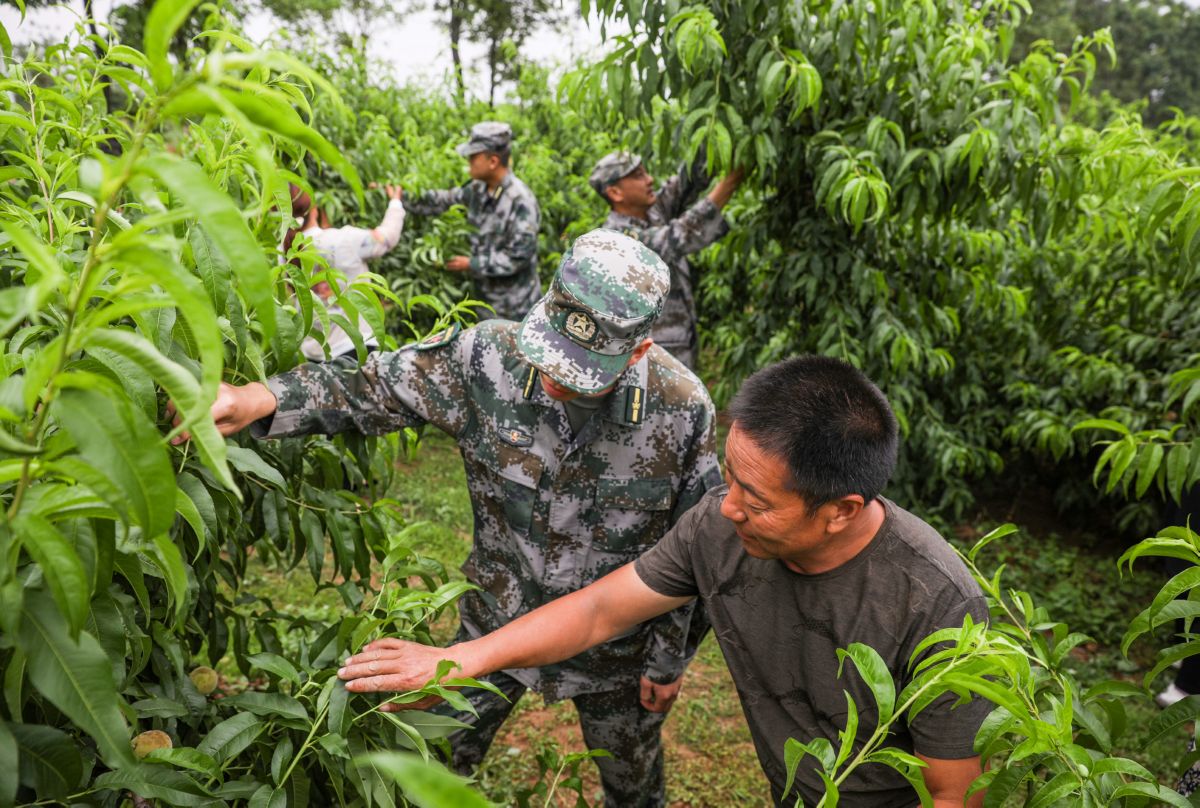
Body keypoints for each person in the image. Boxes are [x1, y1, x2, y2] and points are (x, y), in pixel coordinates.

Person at [196, 230, 721, 808]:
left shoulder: (681, 409)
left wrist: (668, 661)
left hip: (618, 653)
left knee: (634, 789)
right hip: (494, 626)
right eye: (551, 349)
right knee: (431, 775)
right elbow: (375, 386)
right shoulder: (487, 357)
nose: (554, 375)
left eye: (580, 370)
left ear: (638, 352)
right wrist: (259, 397)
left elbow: (693, 549)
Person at [336, 356, 991, 807]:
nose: (729, 507)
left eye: (756, 499)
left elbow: (953, 795)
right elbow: (599, 610)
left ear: (840, 510)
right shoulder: (718, 527)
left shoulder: (936, 606)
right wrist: (457, 660)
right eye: (729, 477)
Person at [590, 150, 743, 370]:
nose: (650, 179)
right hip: (651, 358)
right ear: (615, 192)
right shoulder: (619, 239)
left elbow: (686, 181)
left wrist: (715, 139)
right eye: (638, 176)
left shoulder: (652, 212)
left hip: (680, 344)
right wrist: (730, 181)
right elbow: (681, 235)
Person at [403, 121, 542, 321]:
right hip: (486, 304)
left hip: (515, 310)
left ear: (493, 161)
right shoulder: (478, 189)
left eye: (474, 157)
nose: (469, 161)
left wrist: (472, 263)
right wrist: (399, 197)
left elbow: (517, 258)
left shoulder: (520, 201)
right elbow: (443, 200)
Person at [285, 183, 406, 362]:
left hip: (312, 354)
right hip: (353, 347)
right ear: (314, 209)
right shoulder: (344, 239)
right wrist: (395, 201)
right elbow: (387, 237)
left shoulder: (286, 251)